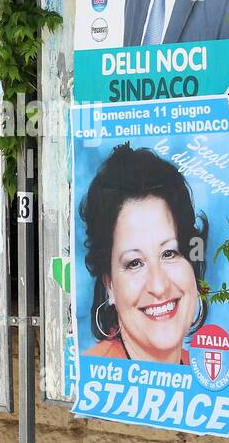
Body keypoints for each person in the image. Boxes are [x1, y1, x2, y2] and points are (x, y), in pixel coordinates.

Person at [78, 143, 209, 363]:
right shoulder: (94, 377)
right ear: (109, 284)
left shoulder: (212, 377)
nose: (158, 286)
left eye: (169, 253)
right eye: (134, 263)